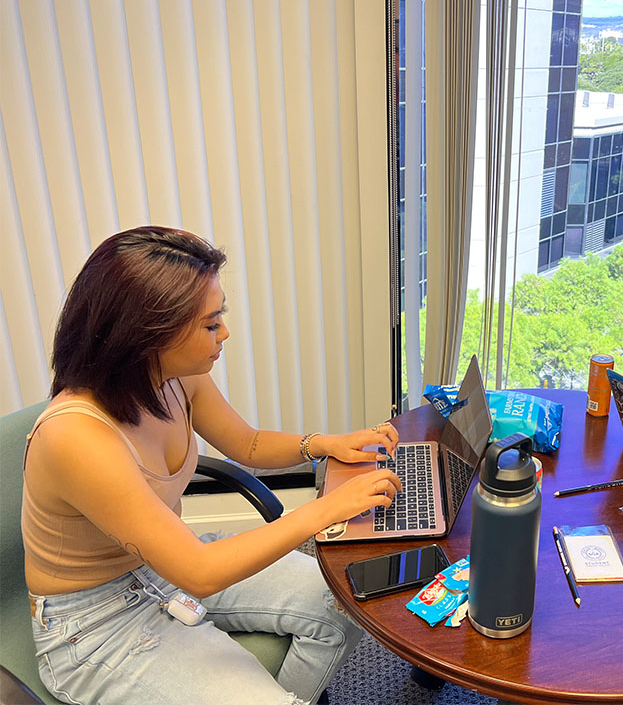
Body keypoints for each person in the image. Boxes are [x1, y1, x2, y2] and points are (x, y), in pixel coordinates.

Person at [22, 226, 403, 705]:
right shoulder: (75, 436)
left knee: (348, 601)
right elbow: (200, 573)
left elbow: (248, 443)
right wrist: (328, 509)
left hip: (163, 567)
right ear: (146, 334)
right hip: (95, 625)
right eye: (210, 323)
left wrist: (325, 444)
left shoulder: (174, 378)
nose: (224, 333)